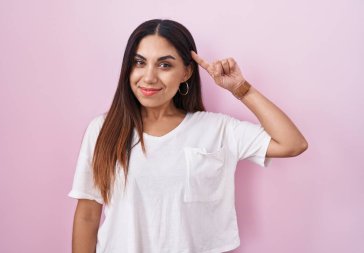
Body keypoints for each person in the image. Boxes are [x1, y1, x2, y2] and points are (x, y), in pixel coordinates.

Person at [68, 19, 308, 253]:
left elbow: (293, 144)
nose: (149, 76)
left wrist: (240, 89)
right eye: (139, 62)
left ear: (186, 72)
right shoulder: (103, 129)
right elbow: (88, 214)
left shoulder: (217, 129)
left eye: (164, 65)